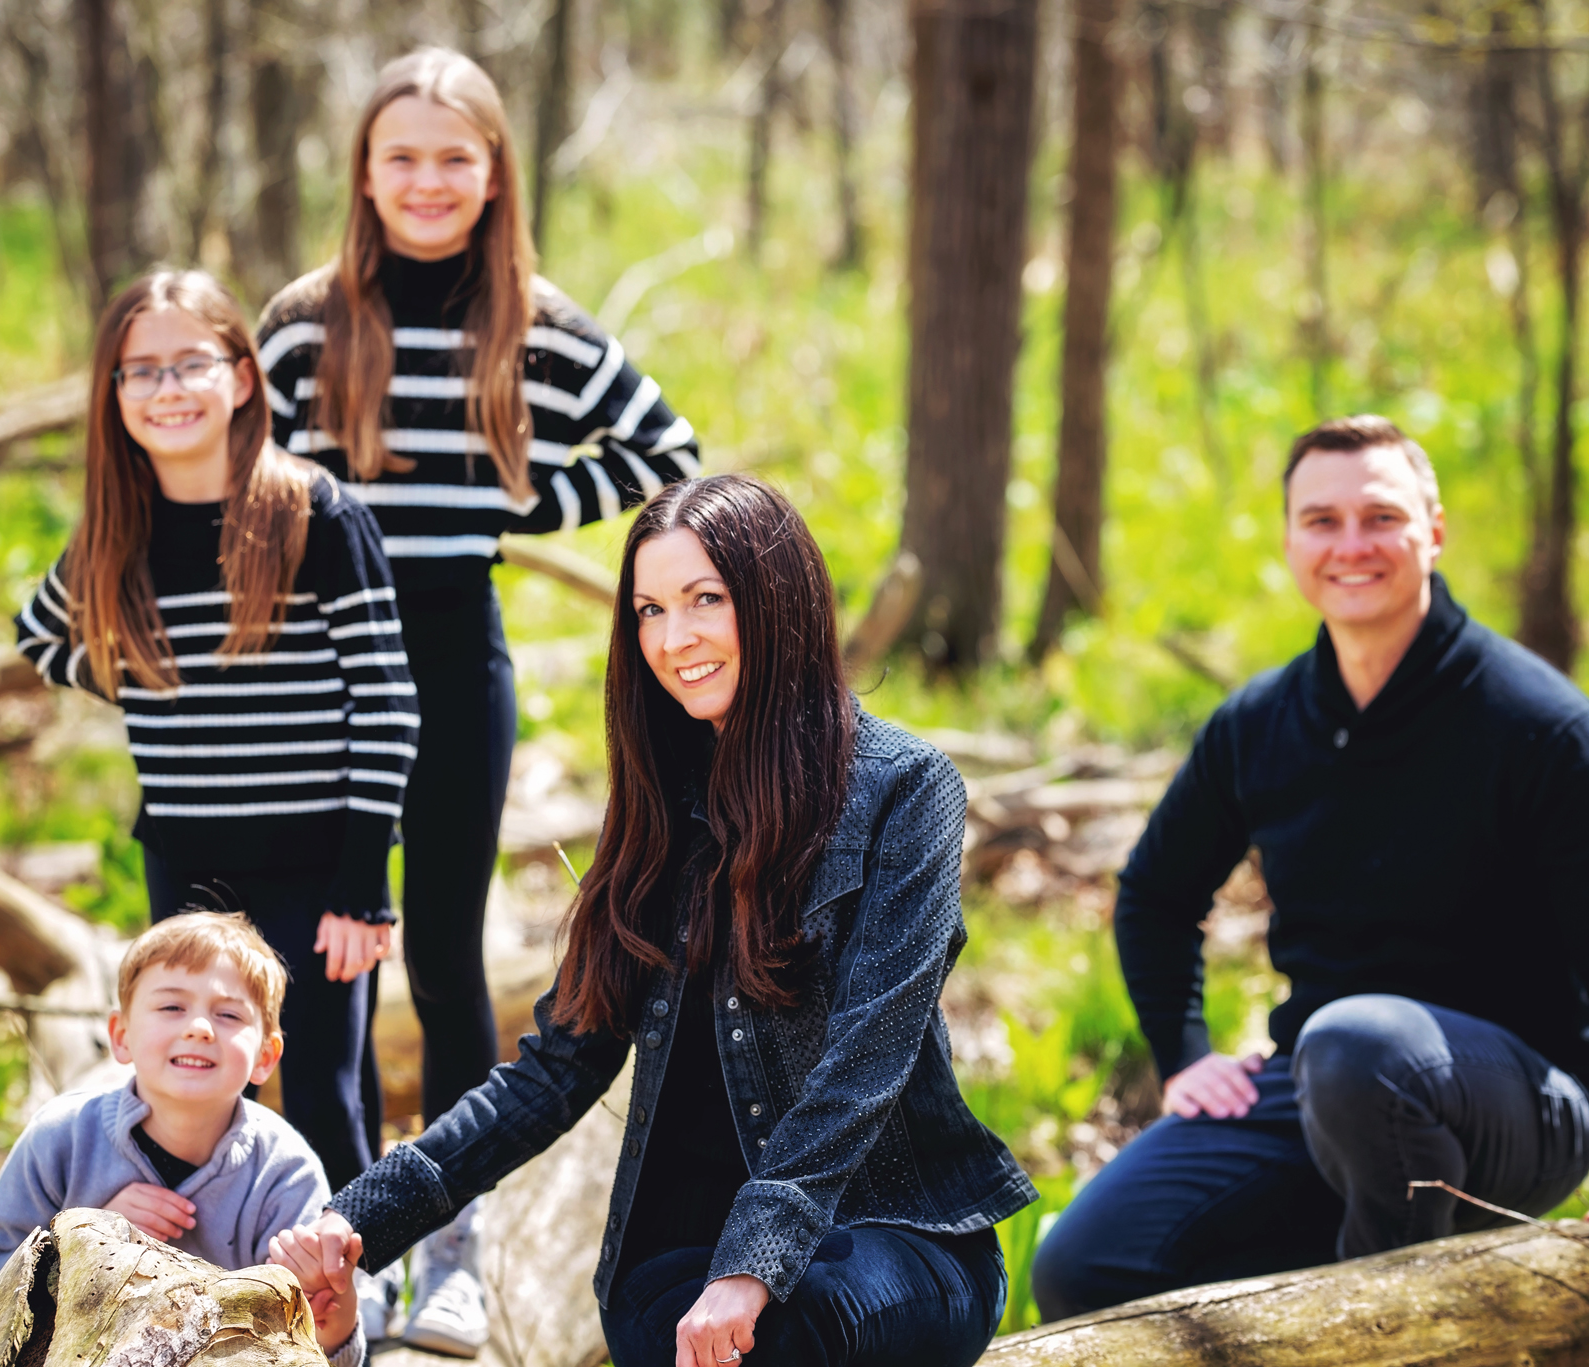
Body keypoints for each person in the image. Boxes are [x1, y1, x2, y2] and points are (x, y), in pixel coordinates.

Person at [265, 474, 1034, 1367]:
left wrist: (755, 1264)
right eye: (650, 609)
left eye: (707, 598)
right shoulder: (657, 816)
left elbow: (867, 1059)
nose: (676, 638)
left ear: (777, 601)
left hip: (898, 1237)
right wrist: (358, 1217)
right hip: (678, 1264)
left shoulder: (907, 788)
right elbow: (551, 1070)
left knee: (797, 1321)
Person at [1029, 415, 1589, 1319]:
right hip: (1326, 1087)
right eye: (1321, 521)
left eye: (1381, 517)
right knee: (1086, 1265)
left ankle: (1385, 1327)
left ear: (1433, 531)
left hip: (1522, 1102)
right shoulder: (1260, 723)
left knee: (1359, 1044)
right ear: (1288, 540)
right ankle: (1334, 1293)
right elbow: (1155, 896)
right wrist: (1184, 1052)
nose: (1351, 545)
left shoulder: (1540, 727)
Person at [254, 45, 700, 1352]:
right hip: (319, 659)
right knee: (320, 963)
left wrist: (517, 500)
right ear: (366, 173)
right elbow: (242, 483)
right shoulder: (303, 321)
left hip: (457, 651)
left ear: (496, 173)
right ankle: (327, 1233)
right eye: (403, 156)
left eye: (457, 156)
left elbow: (665, 450)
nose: (429, 180)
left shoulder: (539, 324)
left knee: (444, 953)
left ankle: (449, 1242)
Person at [15, 270, 417, 1194]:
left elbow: (386, 700)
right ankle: (220, 1273)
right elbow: (39, 636)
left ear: (240, 377)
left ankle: (355, 1280)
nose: (167, 389)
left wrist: (365, 881)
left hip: (321, 867)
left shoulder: (315, 512)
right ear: (114, 397)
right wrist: (139, 674)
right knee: (192, 1085)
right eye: (140, 371)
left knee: (322, 1084)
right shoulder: (117, 531)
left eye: (190, 363)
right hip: (190, 860)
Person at [0, 911, 367, 1366]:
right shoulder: (61, 1138)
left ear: (266, 1056)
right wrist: (90, 1245)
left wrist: (335, 1316)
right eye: (172, 1007)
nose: (199, 1027)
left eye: (229, 1013)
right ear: (121, 1035)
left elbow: (321, 1350)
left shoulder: (284, 1173)